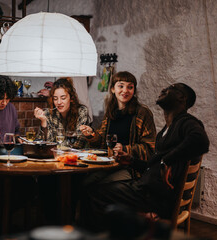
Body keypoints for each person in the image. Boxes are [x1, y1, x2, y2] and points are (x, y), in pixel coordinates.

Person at [79, 83, 210, 232]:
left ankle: (95, 234)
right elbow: (152, 167)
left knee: (94, 192)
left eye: (171, 88)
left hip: (155, 197)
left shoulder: (186, 122)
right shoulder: (167, 129)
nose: (163, 89)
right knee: (96, 187)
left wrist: (166, 161)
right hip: (148, 190)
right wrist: (132, 161)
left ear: (182, 98)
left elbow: (200, 141)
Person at [79, 71, 156, 183]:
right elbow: (101, 142)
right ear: (113, 89)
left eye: (130, 87)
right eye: (121, 86)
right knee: (85, 181)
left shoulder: (142, 113)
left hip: (132, 168)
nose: (125, 90)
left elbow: (150, 148)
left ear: (134, 91)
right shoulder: (111, 113)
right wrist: (91, 135)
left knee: (101, 185)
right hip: (110, 163)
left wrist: (125, 149)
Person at [34, 77, 91, 142]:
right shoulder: (48, 113)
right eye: (55, 99)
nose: (59, 102)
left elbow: (79, 142)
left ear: (71, 98)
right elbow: (42, 143)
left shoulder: (81, 111)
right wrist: (43, 121)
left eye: (63, 98)